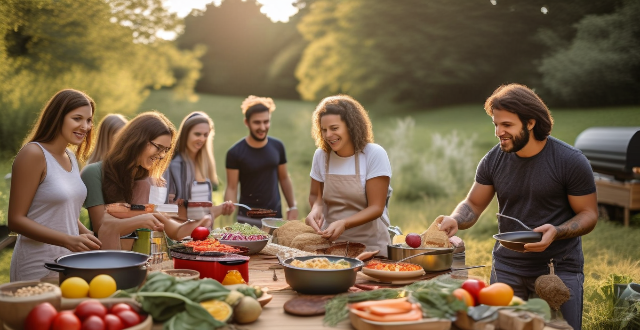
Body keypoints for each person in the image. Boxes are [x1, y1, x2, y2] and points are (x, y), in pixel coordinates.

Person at [438, 84, 598, 330]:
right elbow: (472, 203)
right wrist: (456, 219)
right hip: (507, 267)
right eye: (496, 124)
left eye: (507, 125)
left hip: (558, 268)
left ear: (530, 123)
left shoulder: (570, 161)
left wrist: (557, 231)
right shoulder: (493, 159)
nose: (498, 132)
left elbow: (588, 214)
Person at [8, 89, 102, 281]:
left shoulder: (71, 156)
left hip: (67, 262)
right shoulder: (33, 154)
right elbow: (16, 220)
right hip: (37, 266)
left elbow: (62, 211)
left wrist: (89, 236)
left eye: (89, 120)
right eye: (77, 118)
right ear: (58, 117)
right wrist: (68, 240)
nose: (85, 126)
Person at [81, 111, 206, 250]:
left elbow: (151, 218)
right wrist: (143, 218)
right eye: (159, 147)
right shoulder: (93, 173)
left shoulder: (143, 177)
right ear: (137, 139)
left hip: (138, 255)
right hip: (105, 256)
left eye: (166, 150)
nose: (162, 155)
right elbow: (101, 226)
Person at [305, 95, 393, 257]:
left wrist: (344, 223)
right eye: (324, 130)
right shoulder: (321, 156)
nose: (328, 135)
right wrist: (316, 209)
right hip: (331, 246)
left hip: (371, 247)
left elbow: (376, 207)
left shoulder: (373, 154)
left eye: (334, 128)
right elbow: (315, 196)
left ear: (351, 126)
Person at [224, 95, 298, 226]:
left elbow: (284, 178)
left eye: (266, 121)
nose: (263, 127)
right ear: (246, 122)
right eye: (257, 122)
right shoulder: (234, 152)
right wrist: (229, 204)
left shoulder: (278, 147)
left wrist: (292, 207)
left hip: (275, 218)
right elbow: (232, 186)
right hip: (246, 220)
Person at [164, 111, 235, 228]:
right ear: (185, 134)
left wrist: (222, 209)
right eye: (197, 134)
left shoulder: (204, 165)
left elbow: (201, 212)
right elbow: (168, 210)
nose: (202, 139)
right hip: (181, 238)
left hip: (203, 237)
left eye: (205, 135)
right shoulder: (173, 166)